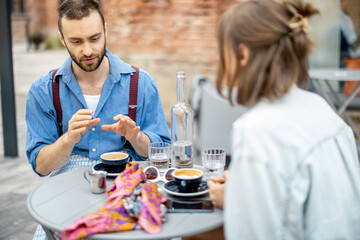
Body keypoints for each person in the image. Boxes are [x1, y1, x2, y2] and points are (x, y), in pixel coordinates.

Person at [207, 0, 360, 239]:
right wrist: (243, 184)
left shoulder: (257, 131)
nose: (218, 58)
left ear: (243, 54)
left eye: (222, 49)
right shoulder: (321, 108)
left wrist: (238, 199)